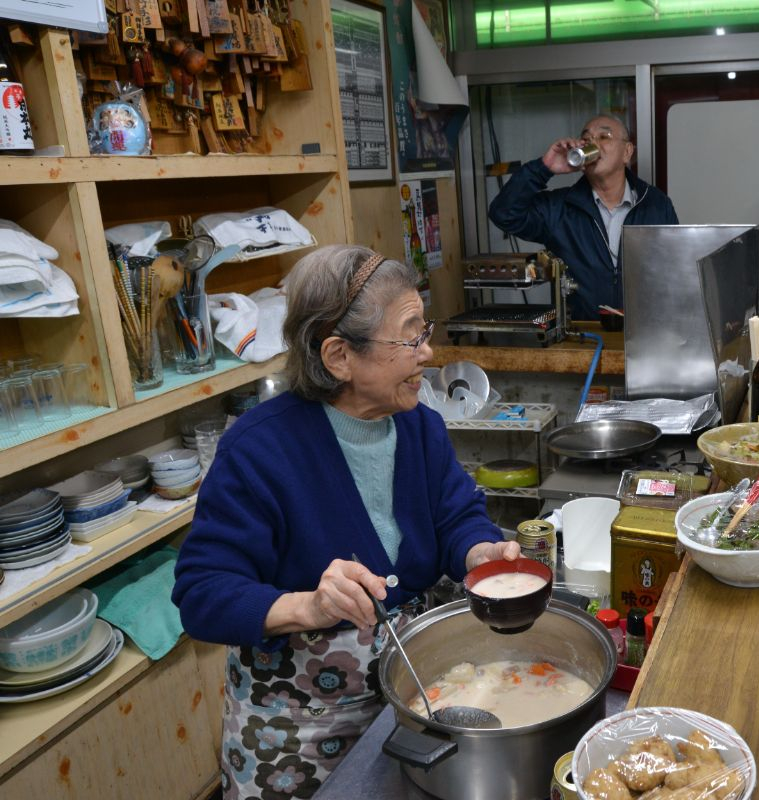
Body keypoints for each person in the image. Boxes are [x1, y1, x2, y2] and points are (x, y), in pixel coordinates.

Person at [172, 245, 518, 799]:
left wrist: (480, 554)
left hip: (410, 695)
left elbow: (457, 516)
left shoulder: (420, 427)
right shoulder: (258, 451)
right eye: (409, 338)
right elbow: (201, 594)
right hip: (296, 728)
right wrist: (308, 605)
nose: (427, 352)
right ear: (338, 357)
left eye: (423, 331)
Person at [488, 114, 679, 321]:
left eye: (604, 136)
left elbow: (675, 270)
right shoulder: (559, 208)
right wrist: (544, 167)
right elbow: (503, 214)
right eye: (586, 140)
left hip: (645, 335)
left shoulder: (655, 204)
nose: (593, 144)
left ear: (627, 152)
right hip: (582, 335)